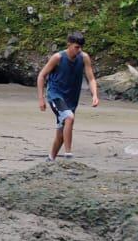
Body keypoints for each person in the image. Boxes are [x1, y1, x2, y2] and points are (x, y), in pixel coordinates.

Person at [37, 31, 99, 161]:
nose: (79, 50)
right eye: (76, 47)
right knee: (69, 117)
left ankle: (50, 158)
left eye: (81, 47)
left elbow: (91, 79)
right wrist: (41, 99)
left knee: (62, 131)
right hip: (55, 95)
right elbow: (41, 76)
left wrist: (95, 95)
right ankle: (68, 154)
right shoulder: (58, 58)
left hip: (71, 99)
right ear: (69, 44)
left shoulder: (84, 58)